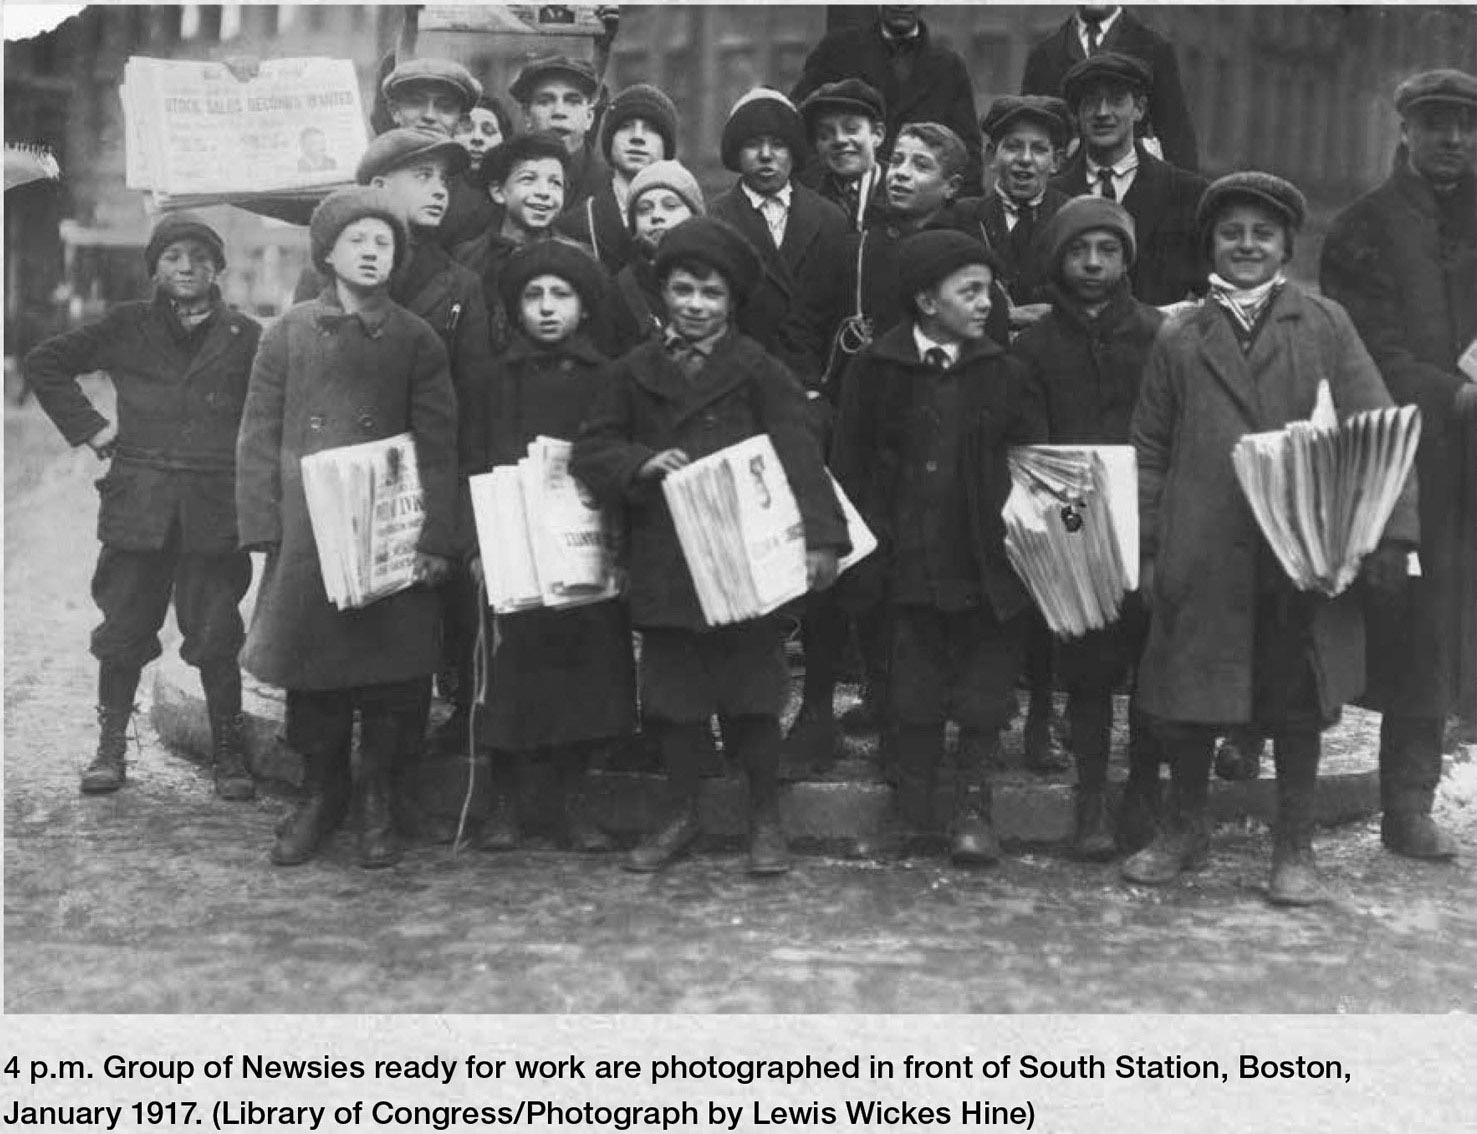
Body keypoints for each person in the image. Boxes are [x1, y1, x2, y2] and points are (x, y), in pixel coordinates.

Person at [1128, 173, 1418, 904]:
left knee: (1294, 699)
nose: (1246, 245)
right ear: (1211, 247)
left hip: (1300, 552)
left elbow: (1375, 430)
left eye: (1262, 233)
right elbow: (1150, 447)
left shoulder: (1323, 324)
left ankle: (1294, 847)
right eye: (1232, 233)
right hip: (1204, 547)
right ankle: (1182, 828)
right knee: (1190, 697)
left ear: (1287, 245)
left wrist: (1390, 534)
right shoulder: (1180, 333)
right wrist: (1147, 548)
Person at [573, 217, 849, 876]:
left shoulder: (759, 371)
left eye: (711, 294)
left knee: (753, 696)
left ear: (731, 304)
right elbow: (591, 451)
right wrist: (639, 463)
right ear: (662, 292)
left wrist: (822, 540)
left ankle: (763, 818)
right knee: (674, 701)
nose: (695, 305)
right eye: (683, 289)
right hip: (666, 560)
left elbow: (799, 455)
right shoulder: (629, 372)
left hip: (746, 561)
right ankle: (681, 815)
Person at [238, 187, 458, 869]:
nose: (370, 252)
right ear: (327, 252)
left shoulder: (416, 339)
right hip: (311, 536)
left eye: (383, 243)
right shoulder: (288, 333)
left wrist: (435, 538)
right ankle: (321, 792)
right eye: (356, 241)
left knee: (392, 681)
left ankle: (377, 798)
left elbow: (440, 441)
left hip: (389, 531)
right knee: (316, 678)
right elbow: (258, 434)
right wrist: (264, 525)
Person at [293, 130, 495, 812]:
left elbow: (466, 414)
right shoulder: (321, 283)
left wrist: (449, 523)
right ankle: (320, 794)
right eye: (424, 174)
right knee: (319, 648)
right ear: (378, 187)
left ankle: (384, 794)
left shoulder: (461, 284)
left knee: (401, 654)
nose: (441, 189)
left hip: (411, 502)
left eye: (448, 178)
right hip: (330, 499)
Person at [25, 215, 260, 800]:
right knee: (124, 628)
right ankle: (110, 749)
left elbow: (270, 413)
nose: (187, 267)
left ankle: (229, 753)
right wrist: (93, 429)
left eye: (201, 258)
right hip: (140, 504)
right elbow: (45, 364)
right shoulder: (127, 326)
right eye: (174, 256)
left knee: (216, 633)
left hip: (213, 507)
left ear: (218, 270)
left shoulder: (247, 336)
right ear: (155, 266)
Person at [831, 230, 1046, 863]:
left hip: (985, 562)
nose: (986, 303)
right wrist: (859, 553)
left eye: (989, 290)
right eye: (970, 291)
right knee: (911, 692)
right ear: (927, 299)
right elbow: (850, 462)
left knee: (983, 691)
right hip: (904, 562)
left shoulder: (1006, 374)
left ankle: (974, 813)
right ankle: (909, 813)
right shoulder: (876, 368)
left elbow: (1036, 466)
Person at [1320, 68, 1477, 860]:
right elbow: (1365, 353)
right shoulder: (1362, 228)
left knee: (1460, 629)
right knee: (1415, 629)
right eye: (1436, 123)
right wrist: (1451, 397)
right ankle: (1406, 805)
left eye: (1464, 125)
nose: (1452, 138)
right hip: (1408, 464)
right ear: (1405, 131)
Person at [464, 240, 636, 853]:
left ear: (585, 307)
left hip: (583, 549)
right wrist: (478, 545)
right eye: (533, 296)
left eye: (560, 295)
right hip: (514, 552)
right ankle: (506, 801)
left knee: (583, 675)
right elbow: (473, 460)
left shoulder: (608, 378)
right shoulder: (492, 380)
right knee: (514, 673)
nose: (546, 308)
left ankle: (570, 800)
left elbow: (617, 454)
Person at [1012, 196, 1166, 856]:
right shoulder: (1036, 346)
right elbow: (1031, 444)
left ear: (1126, 258)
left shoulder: (1160, 334)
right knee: (1089, 670)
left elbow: (1170, 429)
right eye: (1079, 251)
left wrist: (1153, 515)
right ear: (1057, 259)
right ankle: (1091, 800)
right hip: (1074, 530)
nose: (1094, 263)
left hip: (1148, 525)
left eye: (1107, 250)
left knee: (1151, 667)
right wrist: (1068, 523)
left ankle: (1142, 792)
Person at [710, 87, 848, 386]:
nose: (766, 156)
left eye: (778, 145)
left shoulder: (830, 219)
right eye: (753, 145)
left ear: (794, 152)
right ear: (736, 152)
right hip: (739, 386)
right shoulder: (716, 219)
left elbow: (841, 314)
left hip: (812, 386)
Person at [1051, 53, 1207, 307]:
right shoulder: (1052, 196)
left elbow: (1210, 294)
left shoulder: (1187, 193)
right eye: (1091, 102)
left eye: (1115, 100)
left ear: (1139, 109)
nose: (1102, 112)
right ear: (1076, 115)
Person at [791, 6, 982, 192]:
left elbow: (967, 154)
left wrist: (949, 209)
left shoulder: (949, 67)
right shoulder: (837, 51)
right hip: (844, 197)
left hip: (922, 206)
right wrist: (820, 187)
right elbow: (798, 124)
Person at [945, 95, 1075, 338]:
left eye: (1038, 149)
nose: (1025, 159)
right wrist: (1004, 316)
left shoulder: (1072, 217)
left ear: (1056, 161)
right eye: (1013, 147)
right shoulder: (961, 217)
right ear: (991, 156)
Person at [1021, 5, 1200, 172]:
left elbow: (1177, 138)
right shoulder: (1043, 55)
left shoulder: (1154, 49)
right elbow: (1027, 132)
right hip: (1064, 190)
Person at [452, 131, 570, 352]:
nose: (544, 192)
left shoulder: (576, 259)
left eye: (555, 183)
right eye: (528, 179)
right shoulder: (465, 259)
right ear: (498, 191)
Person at [555, 82, 679, 273]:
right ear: (609, 140)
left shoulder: (688, 221)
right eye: (625, 127)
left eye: (651, 128)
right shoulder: (576, 225)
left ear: (667, 145)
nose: (637, 137)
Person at [379, 57, 488, 250]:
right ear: (394, 111)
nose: (429, 116)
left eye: (445, 107)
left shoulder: (477, 207)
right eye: (415, 103)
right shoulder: (373, 176)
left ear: (462, 122)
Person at [606, 160, 707, 355]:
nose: (656, 216)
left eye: (670, 206)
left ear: (695, 217)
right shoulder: (617, 290)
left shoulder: (720, 283)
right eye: (644, 209)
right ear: (634, 227)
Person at [508, 54, 608, 214]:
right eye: (545, 101)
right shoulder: (507, 181)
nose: (559, 112)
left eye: (572, 101)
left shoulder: (611, 186)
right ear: (527, 116)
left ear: (589, 117)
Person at [799, 79, 890, 232]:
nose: (839, 140)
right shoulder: (807, 203)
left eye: (851, 129)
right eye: (825, 134)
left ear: (877, 135)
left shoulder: (902, 192)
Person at [448, 95, 516, 246]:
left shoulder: (512, 196)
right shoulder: (440, 192)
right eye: (466, 129)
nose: (477, 138)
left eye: (489, 131)